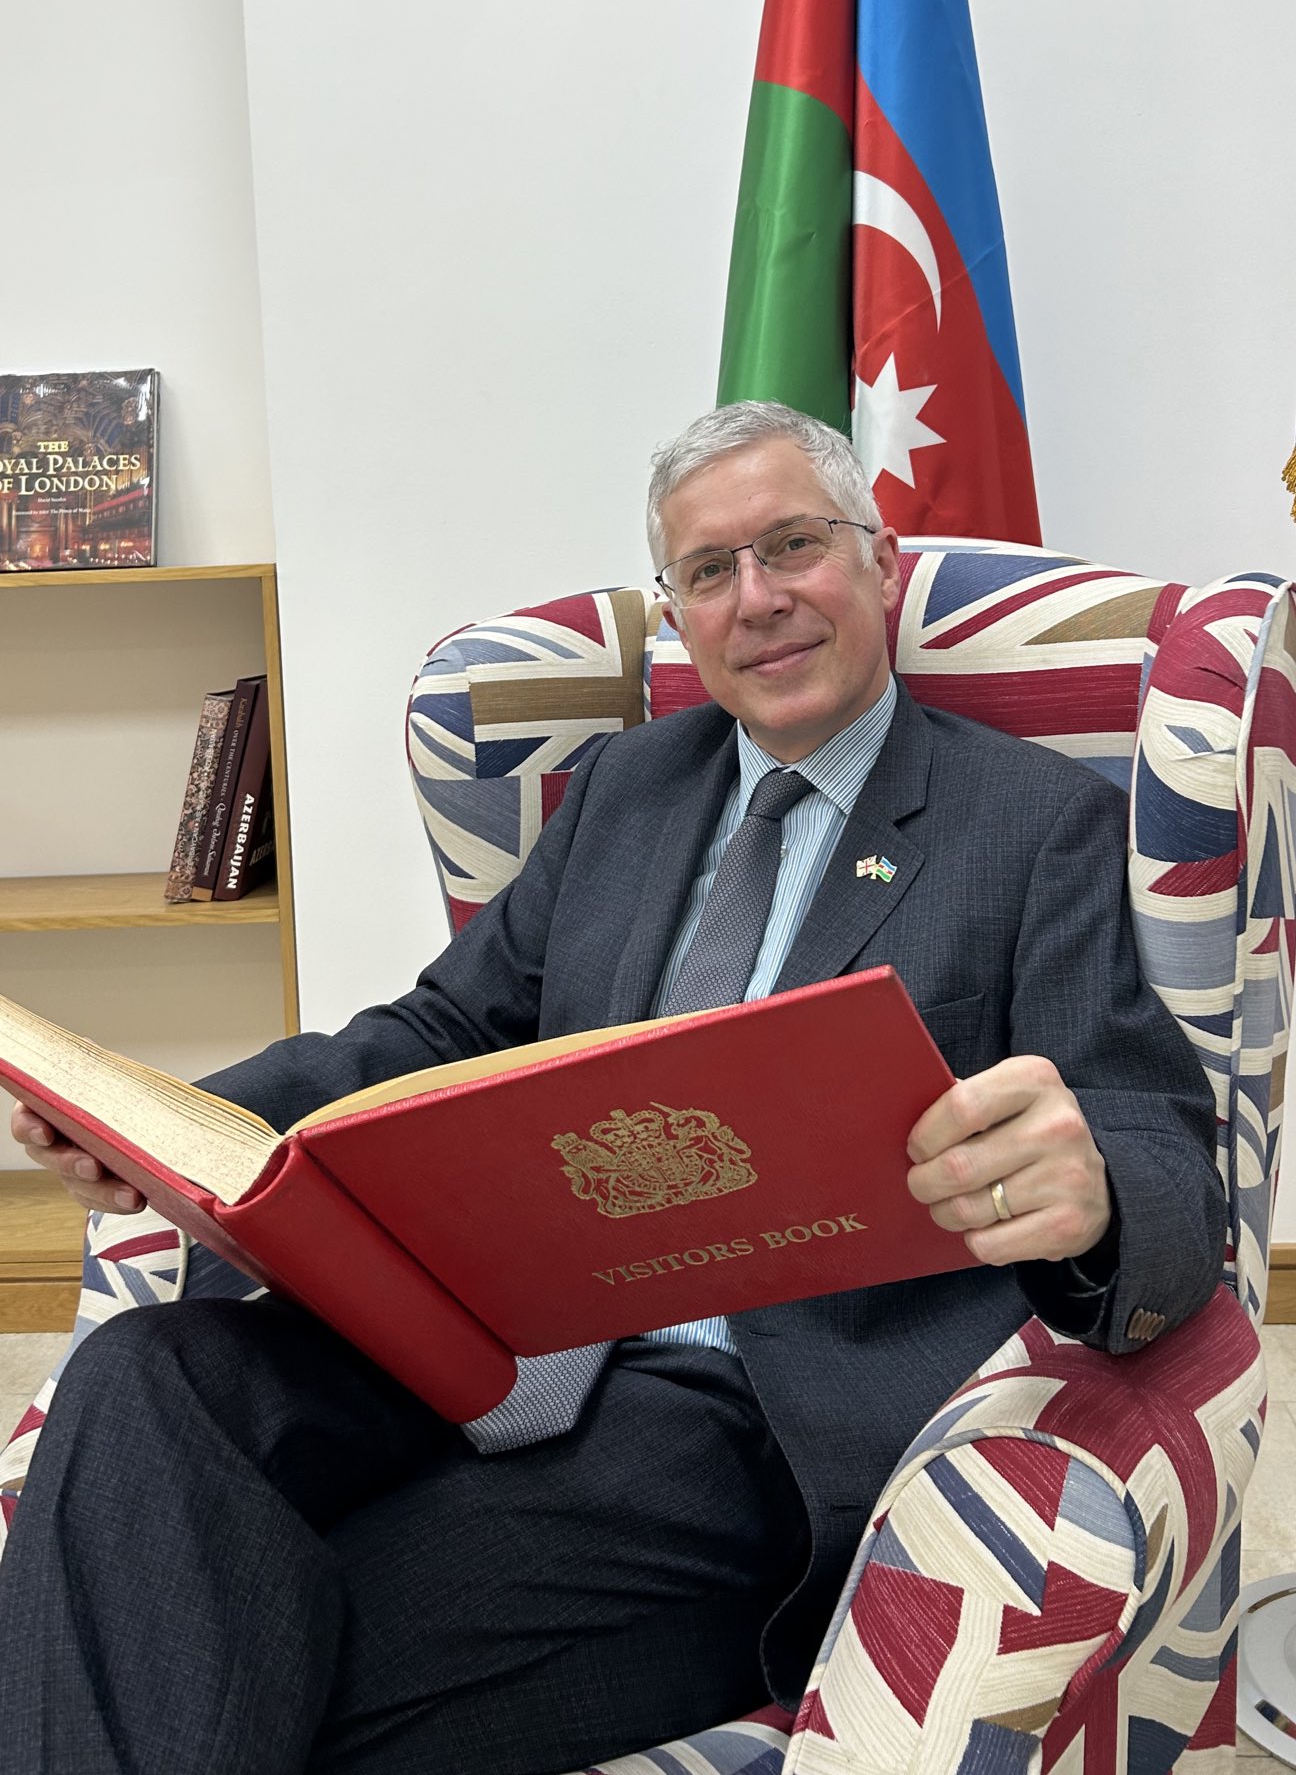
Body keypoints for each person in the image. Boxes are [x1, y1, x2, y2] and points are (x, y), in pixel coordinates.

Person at [0, 401, 1224, 1774]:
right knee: (142, 1379)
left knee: (219, 1644)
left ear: (878, 560)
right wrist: (175, 1119)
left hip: (735, 1413)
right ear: (680, 613)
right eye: (709, 570)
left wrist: (1095, 1193)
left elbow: (1162, 1153)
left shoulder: (1031, 825)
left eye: (793, 545)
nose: (756, 598)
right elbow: (443, 1029)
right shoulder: (629, 787)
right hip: (483, 1329)